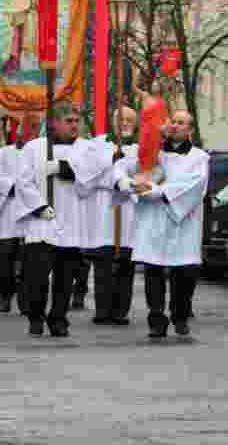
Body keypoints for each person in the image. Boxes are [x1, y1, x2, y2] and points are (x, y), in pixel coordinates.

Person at [14, 103, 114, 337]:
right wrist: (39, 206)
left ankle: (58, 318)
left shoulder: (86, 148)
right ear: (55, 123)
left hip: (71, 219)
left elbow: (95, 173)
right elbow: (23, 181)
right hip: (42, 221)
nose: (74, 125)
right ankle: (36, 316)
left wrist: (63, 167)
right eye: (68, 121)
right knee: (37, 276)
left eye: (76, 121)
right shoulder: (34, 148)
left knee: (65, 277)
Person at [114, 110, 209, 338]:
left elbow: (194, 186)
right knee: (153, 270)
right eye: (173, 122)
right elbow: (120, 167)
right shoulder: (150, 150)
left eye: (181, 123)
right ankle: (156, 318)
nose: (175, 126)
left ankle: (180, 315)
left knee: (184, 273)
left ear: (190, 130)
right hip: (153, 219)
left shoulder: (199, 157)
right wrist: (126, 183)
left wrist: (158, 191)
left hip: (182, 222)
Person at [82, 107, 139, 326]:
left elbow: (143, 172)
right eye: (120, 119)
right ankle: (102, 309)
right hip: (104, 208)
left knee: (125, 263)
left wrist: (125, 172)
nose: (124, 123)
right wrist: (112, 165)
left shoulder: (139, 147)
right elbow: (88, 174)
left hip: (128, 209)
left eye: (129, 120)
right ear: (112, 122)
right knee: (103, 263)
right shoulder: (98, 145)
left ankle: (121, 310)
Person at [0, 114, 39, 314]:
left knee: (29, 259)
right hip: (9, 211)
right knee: (5, 258)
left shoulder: (37, 152)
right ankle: (5, 293)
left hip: (31, 211)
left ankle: (25, 300)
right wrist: (9, 187)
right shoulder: (2, 154)